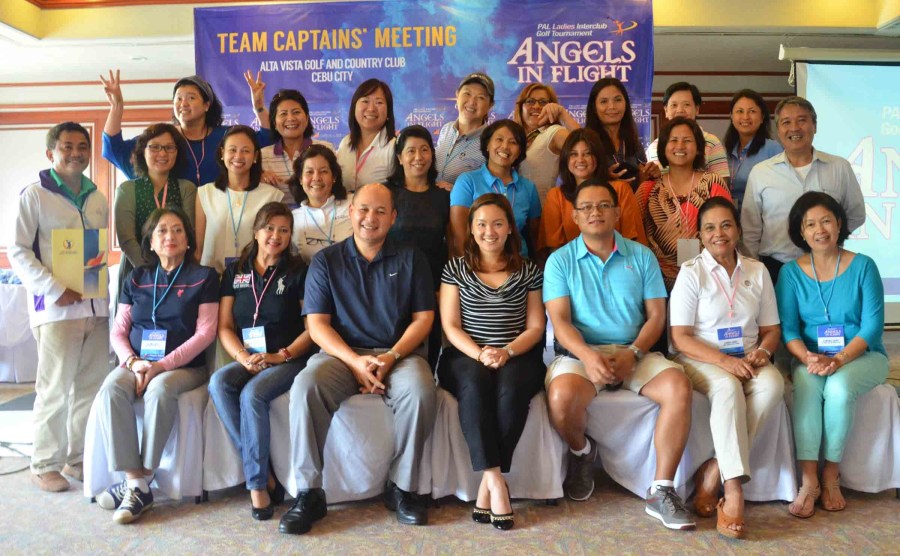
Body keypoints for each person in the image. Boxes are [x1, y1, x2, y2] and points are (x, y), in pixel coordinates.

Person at [279, 183, 437, 535]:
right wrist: (354, 361)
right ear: (350, 212)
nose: (370, 218)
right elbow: (317, 326)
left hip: (399, 354)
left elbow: (423, 319)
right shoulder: (326, 261)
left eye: (381, 211)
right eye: (363, 209)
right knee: (305, 386)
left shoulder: (412, 258)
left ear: (393, 217)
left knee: (421, 391)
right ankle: (309, 492)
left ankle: (403, 487)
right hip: (341, 355)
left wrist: (391, 356)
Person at [543, 180, 695, 531]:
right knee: (561, 398)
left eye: (603, 205)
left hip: (635, 349)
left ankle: (662, 489)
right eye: (586, 207)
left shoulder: (641, 256)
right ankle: (581, 453)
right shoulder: (559, 261)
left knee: (678, 386)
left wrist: (634, 352)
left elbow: (656, 316)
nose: (595, 212)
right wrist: (587, 355)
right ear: (575, 216)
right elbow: (560, 321)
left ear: (617, 212)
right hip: (581, 352)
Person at [669, 197, 784, 539]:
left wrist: (762, 352)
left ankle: (713, 471)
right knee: (728, 387)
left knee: (773, 385)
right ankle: (733, 490)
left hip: (747, 356)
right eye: (709, 228)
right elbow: (680, 337)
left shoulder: (757, 271)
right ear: (700, 236)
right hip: (699, 357)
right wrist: (725, 362)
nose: (718, 233)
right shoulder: (691, 272)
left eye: (725, 225)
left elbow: (772, 330)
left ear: (738, 230)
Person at [96, 208, 219, 523]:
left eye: (178, 230)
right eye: (162, 231)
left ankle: (141, 478)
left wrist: (161, 366)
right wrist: (134, 362)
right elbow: (118, 331)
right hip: (137, 362)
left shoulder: (204, 277)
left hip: (183, 367)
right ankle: (136, 482)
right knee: (110, 389)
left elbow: (206, 333)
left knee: (160, 389)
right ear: (150, 242)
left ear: (188, 239)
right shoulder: (136, 278)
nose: (170, 237)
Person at [8, 122, 110, 493]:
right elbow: (18, 251)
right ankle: (44, 463)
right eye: (67, 146)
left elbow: (98, 250)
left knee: (89, 389)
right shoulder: (34, 195)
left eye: (82, 146)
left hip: (95, 308)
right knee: (54, 389)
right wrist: (54, 289)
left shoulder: (97, 197)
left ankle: (78, 458)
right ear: (51, 152)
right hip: (55, 310)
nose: (76, 153)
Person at [775, 192, 889, 518]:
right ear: (801, 231)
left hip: (862, 357)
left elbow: (872, 327)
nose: (819, 230)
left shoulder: (864, 266)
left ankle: (831, 474)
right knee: (806, 385)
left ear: (839, 223)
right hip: (810, 357)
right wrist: (808, 358)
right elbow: (789, 330)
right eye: (810, 224)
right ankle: (809, 479)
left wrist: (838, 360)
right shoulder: (790, 274)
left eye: (826, 221)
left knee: (838, 388)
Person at [438, 193, 546, 531]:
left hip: (516, 353)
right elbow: (450, 326)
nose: (489, 231)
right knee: (474, 384)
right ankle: (497, 482)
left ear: (510, 228)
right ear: (470, 229)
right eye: (482, 224)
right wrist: (480, 353)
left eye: (498, 224)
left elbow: (536, 327)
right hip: (465, 354)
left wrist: (506, 352)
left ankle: (486, 485)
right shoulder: (455, 269)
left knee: (512, 388)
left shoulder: (528, 270)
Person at [208, 202, 315, 521]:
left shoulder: (298, 271)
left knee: (252, 394)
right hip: (250, 356)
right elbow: (224, 326)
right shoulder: (235, 271)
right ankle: (264, 471)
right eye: (269, 228)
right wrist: (242, 357)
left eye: (284, 230)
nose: (275, 236)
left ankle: (257, 486)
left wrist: (281, 355)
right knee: (219, 382)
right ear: (256, 231)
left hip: (289, 358)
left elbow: (312, 329)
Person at [741, 96, 866, 283]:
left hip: (828, 266)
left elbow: (856, 214)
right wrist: (754, 272)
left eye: (802, 120)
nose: (794, 128)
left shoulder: (839, 167)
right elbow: (750, 230)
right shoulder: (761, 173)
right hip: (775, 269)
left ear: (814, 126)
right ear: (778, 130)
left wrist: (828, 242)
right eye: (786, 122)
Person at [100, 70, 272, 186]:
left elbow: (267, 136)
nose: (183, 103)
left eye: (191, 98)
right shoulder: (163, 139)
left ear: (206, 105)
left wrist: (259, 107)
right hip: (175, 224)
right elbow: (112, 149)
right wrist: (117, 107)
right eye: (178, 98)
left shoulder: (226, 136)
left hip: (221, 219)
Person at [636, 117, 733, 290]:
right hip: (657, 282)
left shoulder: (712, 183)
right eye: (673, 140)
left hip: (708, 279)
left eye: (687, 140)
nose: (680, 146)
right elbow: (634, 236)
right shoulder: (648, 189)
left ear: (698, 148)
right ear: (663, 147)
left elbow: (728, 230)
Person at [385, 125, 451, 369]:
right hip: (392, 283)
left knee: (428, 352)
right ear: (400, 157)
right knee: (392, 349)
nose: (418, 157)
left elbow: (452, 244)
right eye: (411, 150)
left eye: (424, 150)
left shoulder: (444, 196)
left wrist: (447, 287)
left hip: (433, 284)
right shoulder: (386, 193)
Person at [113, 123, 197, 299]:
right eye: (154, 147)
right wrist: (152, 275)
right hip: (136, 271)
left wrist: (171, 272)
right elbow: (127, 240)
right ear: (142, 151)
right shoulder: (127, 190)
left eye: (169, 148)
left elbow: (188, 234)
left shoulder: (187, 188)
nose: (162, 153)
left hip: (178, 273)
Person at [538, 128, 646, 262]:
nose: (580, 160)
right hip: (572, 268)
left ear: (598, 157)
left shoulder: (620, 189)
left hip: (620, 265)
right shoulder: (556, 196)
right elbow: (553, 248)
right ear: (565, 159)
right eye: (573, 154)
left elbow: (634, 240)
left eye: (587, 154)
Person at [195, 125, 284, 274]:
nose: (238, 156)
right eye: (232, 150)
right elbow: (199, 250)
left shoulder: (271, 196)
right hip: (211, 279)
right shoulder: (205, 193)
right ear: (222, 153)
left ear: (255, 156)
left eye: (246, 151)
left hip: (254, 279)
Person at [450, 119, 541, 258]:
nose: (505, 146)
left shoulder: (529, 188)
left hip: (519, 263)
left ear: (520, 151)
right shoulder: (467, 182)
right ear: (487, 144)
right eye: (499, 139)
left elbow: (535, 238)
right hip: (477, 264)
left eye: (513, 142)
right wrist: (472, 268)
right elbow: (459, 237)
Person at [259, 89, 335, 205]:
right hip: (278, 216)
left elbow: (336, 188)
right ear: (274, 123)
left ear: (307, 118)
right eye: (283, 114)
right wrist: (259, 177)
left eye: (296, 112)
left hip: (320, 214)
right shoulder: (263, 156)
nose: (291, 118)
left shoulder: (326, 148)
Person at [645, 82, 730, 184]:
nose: (680, 110)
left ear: (697, 109)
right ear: (666, 110)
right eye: (674, 105)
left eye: (686, 104)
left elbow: (722, 185)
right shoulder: (653, 147)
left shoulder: (712, 142)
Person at [584, 77, 660, 187]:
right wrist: (604, 180)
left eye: (618, 100)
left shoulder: (634, 143)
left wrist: (651, 173)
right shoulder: (587, 143)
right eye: (604, 101)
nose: (612, 106)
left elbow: (643, 182)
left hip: (633, 198)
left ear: (626, 104)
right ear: (594, 108)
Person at [511, 83, 579, 203]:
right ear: (521, 107)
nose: (536, 106)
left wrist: (562, 114)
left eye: (543, 102)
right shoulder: (513, 137)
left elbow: (584, 144)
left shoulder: (554, 133)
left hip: (540, 211)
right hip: (509, 210)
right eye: (530, 101)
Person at [288, 144, 352, 263]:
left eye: (323, 171)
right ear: (301, 179)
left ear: (334, 176)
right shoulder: (293, 219)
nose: (316, 178)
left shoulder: (353, 204)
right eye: (309, 172)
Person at [722, 89, 782, 212]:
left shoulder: (773, 149)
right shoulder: (726, 150)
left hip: (761, 216)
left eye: (752, 111)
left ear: (762, 117)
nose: (745, 117)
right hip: (730, 216)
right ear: (731, 116)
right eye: (740, 111)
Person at [434, 72, 495, 189]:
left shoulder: (490, 142)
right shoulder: (446, 129)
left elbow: (492, 189)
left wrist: (458, 192)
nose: (472, 102)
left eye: (481, 97)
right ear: (457, 95)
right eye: (467, 93)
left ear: (490, 105)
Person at [335, 79, 397, 192]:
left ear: (388, 112)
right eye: (365, 101)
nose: (371, 108)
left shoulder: (394, 147)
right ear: (354, 107)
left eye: (379, 102)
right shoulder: (345, 142)